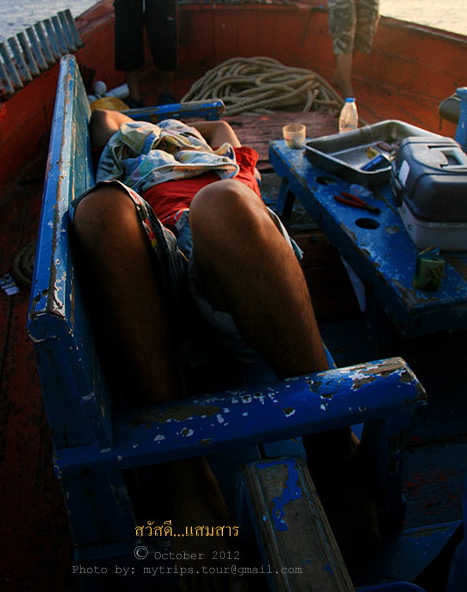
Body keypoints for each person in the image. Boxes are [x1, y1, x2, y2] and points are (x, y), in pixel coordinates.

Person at [71, 108, 380, 590]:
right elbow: (102, 118)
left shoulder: (225, 161)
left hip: (238, 273)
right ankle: (187, 478)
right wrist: (150, 124)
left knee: (223, 201)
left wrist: (189, 127)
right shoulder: (135, 152)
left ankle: (334, 448)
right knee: (99, 213)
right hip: (155, 264)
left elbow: (217, 127)